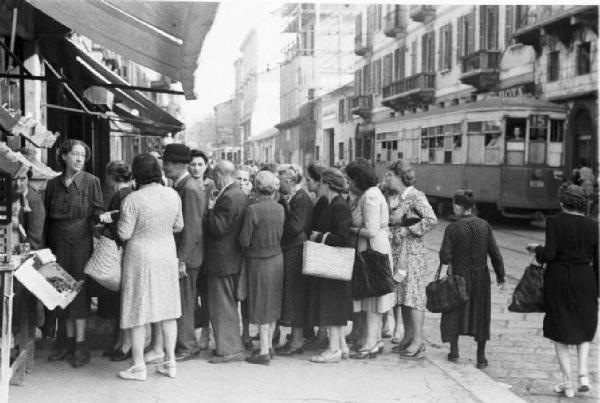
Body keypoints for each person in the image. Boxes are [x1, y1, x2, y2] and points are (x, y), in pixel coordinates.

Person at [528, 184, 598, 398]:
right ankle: (583, 375)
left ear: (562, 202)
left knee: (559, 329)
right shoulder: (593, 225)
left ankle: (567, 383)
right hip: (585, 279)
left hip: (559, 280)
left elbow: (549, 255)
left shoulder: (555, 222)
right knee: (584, 326)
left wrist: (536, 249)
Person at [117, 154, 183, 380]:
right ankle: (170, 362)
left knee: (137, 308)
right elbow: (179, 225)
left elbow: (124, 233)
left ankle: (138, 366)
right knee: (168, 309)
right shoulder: (173, 194)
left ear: (136, 173)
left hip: (140, 256)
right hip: (166, 253)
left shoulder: (133, 199)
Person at [45, 139, 103, 368]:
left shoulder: (91, 182)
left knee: (78, 293)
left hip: (80, 244)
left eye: (82, 155)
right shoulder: (53, 184)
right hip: (57, 244)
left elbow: (98, 214)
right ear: (64, 156)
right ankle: (67, 343)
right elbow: (48, 219)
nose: (79, 159)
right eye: (75, 154)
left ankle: (81, 345)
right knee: (61, 293)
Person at [439, 190, 505, 368]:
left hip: (458, 277)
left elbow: (444, 256)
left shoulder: (452, 228)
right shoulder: (484, 226)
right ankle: (481, 357)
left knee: (455, 312)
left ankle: (454, 351)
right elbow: (495, 254)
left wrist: (450, 259)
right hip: (480, 278)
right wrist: (500, 276)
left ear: (459, 207)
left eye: (454, 204)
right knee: (481, 314)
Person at [384, 159, 437, 359]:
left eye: (390, 175)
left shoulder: (416, 196)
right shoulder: (400, 197)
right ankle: (407, 337)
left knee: (413, 296)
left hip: (413, 253)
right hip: (401, 253)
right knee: (404, 296)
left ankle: (418, 340)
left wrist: (408, 230)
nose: (387, 179)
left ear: (399, 176)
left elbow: (431, 219)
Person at [161, 144, 207, 362]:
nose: (164, 167)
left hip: (187, 257)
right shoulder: (185, 186)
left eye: (167, 163)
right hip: (186, 256)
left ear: (179, 165)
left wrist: (182, 260)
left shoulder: (188, 189)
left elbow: (193, 229)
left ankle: (188, 345)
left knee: (185, 303)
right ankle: (185, 343)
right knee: (182, 301)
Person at [347, 160, 394, 359]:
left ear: (357, 179)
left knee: (373, 299)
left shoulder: (371, 197)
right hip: (371, 251)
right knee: (371, 300)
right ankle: (372, 341)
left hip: (372, 253)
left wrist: (350, 230)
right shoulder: (369, 194)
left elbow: (372, 230)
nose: (348, 183)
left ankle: (371, 343)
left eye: (349, 179)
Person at [306, 168, 353, 363]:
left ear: (327, 184)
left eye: (322, 183)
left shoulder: (338, 206)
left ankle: (334, 350)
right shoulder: (335, 204)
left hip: (335, 262)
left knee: (333, 306)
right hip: (332, 262)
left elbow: (343, 237)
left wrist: (319, 236)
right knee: (334, 304)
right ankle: (342, 346)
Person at [205, 160, 249, 363]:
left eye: (214, 175)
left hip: (222, 261)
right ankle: (229, 347)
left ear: (219, 174)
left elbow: (217, 228)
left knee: (222, 306)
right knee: (227, 305)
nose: (213, 179)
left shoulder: (229, 197)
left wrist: (209, 210)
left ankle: (229, 350)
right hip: (231, 259)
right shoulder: (238, 193)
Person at [239, 171, 285, 365]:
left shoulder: (253, 210)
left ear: (257, 187)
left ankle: (264, 350)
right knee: (272, 303)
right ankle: (270, 347)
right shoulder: (280, 208)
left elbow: (244, 240)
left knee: (260, 304)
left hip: (258, 261)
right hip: (277, 259)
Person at [97, 160, 134, 362]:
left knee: (124, 300)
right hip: (125, 249)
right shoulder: (130, 193)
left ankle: (124, 345)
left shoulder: (120, 195)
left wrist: (104, 222)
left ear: (111, 177)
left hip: (120, 250)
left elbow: (120, 225)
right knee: (122, 300)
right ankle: (120, 343)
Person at [276, 164, 313, 356]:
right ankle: (295, 338)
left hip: (295, 252)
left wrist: (282, 208)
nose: (277, 183)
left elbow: (294, 227)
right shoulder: (297, 198)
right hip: (293, 251)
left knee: (295, 296)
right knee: (292, 296)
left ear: (289, 181)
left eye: (280, 180)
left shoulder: (300, 199)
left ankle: (297, 341)